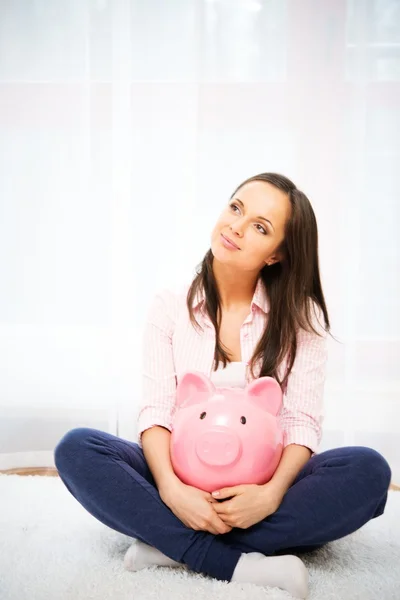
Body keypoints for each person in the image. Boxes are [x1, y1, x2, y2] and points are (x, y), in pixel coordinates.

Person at [54, 173, 392, 600]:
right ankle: (228, 557)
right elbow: (156, 411)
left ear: (277, 255)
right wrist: (174, 493)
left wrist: (269, 497)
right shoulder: (170, 306)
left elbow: (300, 421)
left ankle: (172, 548)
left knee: (368, 471)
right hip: (178, 479)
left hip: (262, 493)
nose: (236, 226)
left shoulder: (303, 319)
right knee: (77, 449)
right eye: (236, 208)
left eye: (260, 227)